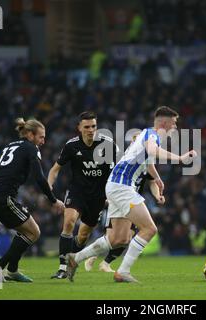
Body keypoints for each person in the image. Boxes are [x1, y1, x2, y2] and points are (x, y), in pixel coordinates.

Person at [65, 106, 197, 283]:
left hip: (116, 185)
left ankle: (76, 258)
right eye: (173, 124)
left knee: (118, 238)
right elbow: (152, 151)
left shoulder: (146, 135)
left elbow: (148, 160)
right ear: (164, 123)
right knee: (150, 229)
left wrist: (157, 178)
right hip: (122, 186)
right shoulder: (152, 134)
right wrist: (180, 158)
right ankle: (123, 272)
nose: (174, 128)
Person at [0, 118, 65, 282]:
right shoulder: (30, 148)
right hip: (1, 198)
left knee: (24, 232)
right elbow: (39, 177)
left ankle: (12, 270)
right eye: (40, 137)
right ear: (30, 134)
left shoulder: (10, 145)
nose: (43, 141)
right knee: (34, 232)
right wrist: (53, 200)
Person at [49, 111, 119, 279]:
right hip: (77, 192)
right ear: (79, 128)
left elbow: (117, 172)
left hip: (98, 196)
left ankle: (72, 257)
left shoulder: (108, 145)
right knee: (69, 222)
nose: (90, 130)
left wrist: (113, 194)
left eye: (93, 126)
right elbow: (55, 169)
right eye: (86, 127)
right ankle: (62, 267)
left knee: (82, 237)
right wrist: (49, 187)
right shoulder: (72, 146)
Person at [84, 131, 165, 273]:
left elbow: (152, 183)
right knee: (114, 237)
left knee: (126, 238)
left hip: (133, 202)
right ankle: (91, 255)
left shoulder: (146, 162)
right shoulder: (125, 161)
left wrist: (157, 196)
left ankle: (105, 263)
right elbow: (110, 179)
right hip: (120, 199)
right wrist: (108, 198)